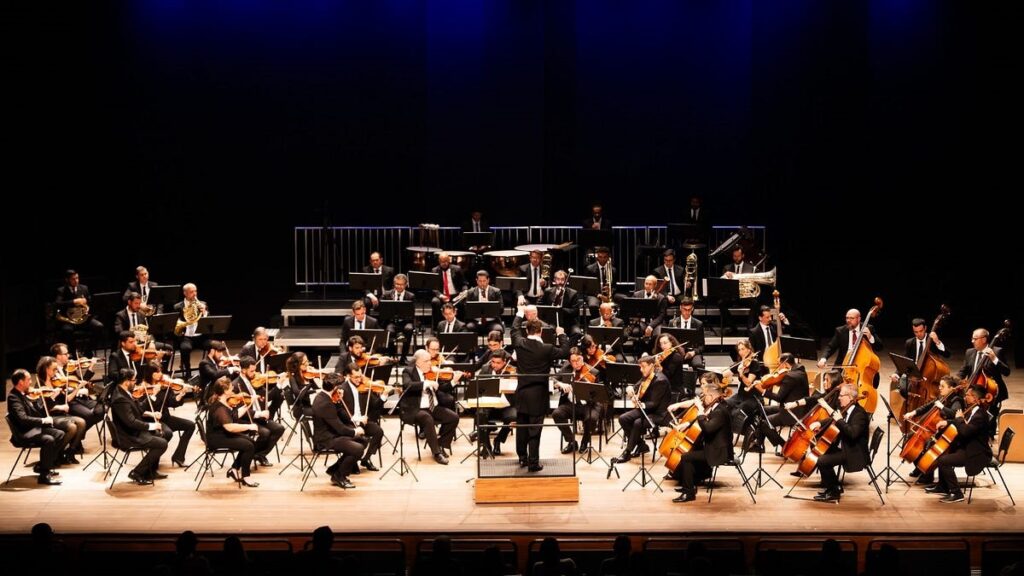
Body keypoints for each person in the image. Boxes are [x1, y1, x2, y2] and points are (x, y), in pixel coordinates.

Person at [511, 317, 569, 471]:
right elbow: (565, 351)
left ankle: (522, 458)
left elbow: (514, 330)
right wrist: (561, 334)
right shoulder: (547, 348)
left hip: (522, 392)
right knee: (534, 430)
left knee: (522, 427)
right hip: (538, 394)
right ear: (541, 332)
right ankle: (533, 462)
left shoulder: (519, 344)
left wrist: (519, 313)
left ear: (526, 330)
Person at [667, 373, 733, 503]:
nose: (704, 398)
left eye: (706, 396)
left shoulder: (721, 410)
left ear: (712, 396)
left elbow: (707, 428)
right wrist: (687, 424)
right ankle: (690, 485)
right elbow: (704, 419)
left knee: (686, 457)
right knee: (690, 452)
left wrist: (700, 409)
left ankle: (689, 492)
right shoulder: (715, 406)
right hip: (712, 446)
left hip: (719, 451)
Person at [927, 384, 993, 503]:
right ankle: (943, 486)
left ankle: (956, 493)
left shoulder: (980, 415)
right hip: (967, 446)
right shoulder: (973, 409)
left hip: (976, 452)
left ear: (975, 398)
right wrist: (947, 422)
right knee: (944, 452)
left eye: (968, 395)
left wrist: (959, 419)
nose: (965, 397)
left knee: (943, 461)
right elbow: (963, 422)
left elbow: (965, 431)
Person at [809, 383, 869, 502]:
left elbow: (853, 434)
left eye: (841, 395)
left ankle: (834, 492)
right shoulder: (847, 409)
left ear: (850, 398)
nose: (839, 398)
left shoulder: (859, 414)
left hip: (853, 451)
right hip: (845, 447)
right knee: (819, 449)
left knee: (822, 461)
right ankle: (833, 486)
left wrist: (840, 421)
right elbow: (833, 418)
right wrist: (820, 423)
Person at [108, 368, 169, 485]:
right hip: (128, 436)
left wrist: (151, 413)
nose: (135, 383)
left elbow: (138, 409)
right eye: (134, 380)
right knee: (162, 443)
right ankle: (137, 472)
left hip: (132, 431)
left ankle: (150, 470)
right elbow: (131, 422)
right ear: (126, 381)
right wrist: (151, 425)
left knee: (163, 435)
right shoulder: (120, 399)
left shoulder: (124, 392)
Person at [400, 350, 459, 464]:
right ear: (418, 362)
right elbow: (407, 385)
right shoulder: (408, 371)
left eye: (430, 361)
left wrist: (453, 381)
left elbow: (442, 388)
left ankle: (440, 444)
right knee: (427, 418)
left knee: (453, 417)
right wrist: (426, 383)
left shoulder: (431, 372)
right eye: (426, 361)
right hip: (416, 409)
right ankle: (436, 453)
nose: (429, 364)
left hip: (432, 407)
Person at [6, 368, 65, 484]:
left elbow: (36, 412)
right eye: (28, 380)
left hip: (34, 429)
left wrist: (46, 399)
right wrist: (43, 420)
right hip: (25, 432)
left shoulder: (25, 394)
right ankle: (44, 475)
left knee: (60, 434)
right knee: (49, 440)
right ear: (21, 382)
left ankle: (43, 465)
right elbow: (23, 419)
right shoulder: (13, 397)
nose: (31, 382)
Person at [902, 375, 964, 485]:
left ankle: (927, 475)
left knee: (927, 444)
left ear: (951, 388)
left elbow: (956, 415)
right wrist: (912, 413)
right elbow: (927, 406)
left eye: (942, 386)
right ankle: (920, 469)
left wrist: (942, 408)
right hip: (937, 430)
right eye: (940, 385)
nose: (939, 388)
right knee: (910, 436)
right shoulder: (942, 398)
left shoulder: (956, 400)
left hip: (948, 433)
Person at [612, 355, 670, 464]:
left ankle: (628, 452)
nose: (641, 369)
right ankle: (641, 445)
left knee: (638, 423)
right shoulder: (647, 375)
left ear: (651, 365)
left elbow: (654, 403)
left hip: (659, 413)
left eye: (643, 367)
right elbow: (636, 386)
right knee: (623, 418)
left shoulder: (660, 380)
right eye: (640, 367)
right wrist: (631, 390)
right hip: (646, 410)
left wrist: (641, 404)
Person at [312, 373, 366, 489]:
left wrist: (338, 401)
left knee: (362, 441)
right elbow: (340, 428)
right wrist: (356, 431)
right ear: (335, 388)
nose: (341, 388)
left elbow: (340, 417)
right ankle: (339, 476)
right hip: (326, 439)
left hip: (331, 434)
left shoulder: (324, 397)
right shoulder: (325, 403)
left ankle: (334, 469)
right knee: (358, 448)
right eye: (339, 386)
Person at [205, 377, 260, 487]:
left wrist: (249, 403)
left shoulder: (225, 402)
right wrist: (249, 426)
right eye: (231, 387)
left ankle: (234, 469)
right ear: (225, 391)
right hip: (217, 438)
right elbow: (230, 427)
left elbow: (235, 415)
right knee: (248, 446)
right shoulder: (219, 408)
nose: (233, 388)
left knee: (251, 442)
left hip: (223, 434)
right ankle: (246, 477)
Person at [140, 361, 195, 467]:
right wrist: (154, 396)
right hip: (153, 420)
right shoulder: (145, 388)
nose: (161, 374)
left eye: (160, 371)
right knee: (167, 433)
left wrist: (181, 394)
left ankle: (178, 457)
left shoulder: (164, 386)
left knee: (190, 425)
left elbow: (172, 402)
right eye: (158, 372)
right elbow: (141, 409)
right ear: (151, 374)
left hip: (166, 418)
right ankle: (153, 461)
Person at [958, 327, 1010, 436]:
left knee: (989, 420)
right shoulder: (969, 352)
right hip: (973, 391)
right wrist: (956, 382)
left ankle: (988, 437)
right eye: (972, 338)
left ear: (984, 339)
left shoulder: (997, 351)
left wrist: (994, 359)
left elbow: (1007, 371)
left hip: (990, 393)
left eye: (975, 339)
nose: (972, 341)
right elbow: (963, 371)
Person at [35, 356, 86, 464]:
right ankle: (56, 454)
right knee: (72, 427)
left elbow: (65, 399)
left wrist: (74, 388)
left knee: (82, 422)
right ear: (46, 369)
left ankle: (70, 453)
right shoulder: (40, 384)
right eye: (54, 369)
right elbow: (42, 407)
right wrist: (57, 404)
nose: (56, 372)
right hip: (49, 417)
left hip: (60, 415)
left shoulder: (55, 382)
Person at [338, 362, 388, 471]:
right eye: (356, 377)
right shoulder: (342, 389)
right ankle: (352, 461)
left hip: (363, 422)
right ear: (347, 376)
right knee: (359, 439)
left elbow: (375, 406)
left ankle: (366, 459)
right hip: (349, 423)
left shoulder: (364, 387)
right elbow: (340, 411)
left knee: (378, 431)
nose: (359, 380)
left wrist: (384, 396)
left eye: (360, 376)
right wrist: (355, 418)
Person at [891, 317, 951, 400]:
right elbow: (905, 361)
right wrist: (896, 373)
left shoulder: (932, 341)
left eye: (921, 331)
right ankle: (895, 412)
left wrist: (937, 341)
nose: (918, 334)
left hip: (928, 376)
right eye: (916, 332)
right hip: (914, 376)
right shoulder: (910, 343)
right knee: (899, 387)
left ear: (925, 328)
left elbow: (947, 354)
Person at [474, 349, 517, 457]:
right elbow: (479, 388)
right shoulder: (485, 369)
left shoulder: (512, 371)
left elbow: (516, 392)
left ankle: (498, 440)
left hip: (506, 405)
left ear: (504, 362)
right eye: (493, 362)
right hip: (490, 405)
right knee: (479, 414)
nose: (495, 365)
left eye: (498, 363)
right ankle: (486, 445)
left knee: (513, 417)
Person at [239, 327, 287, 419]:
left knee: (280, 395)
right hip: (254, 382)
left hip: (266, 379)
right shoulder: (247, 349)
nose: (263, 342)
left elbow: (277, 367)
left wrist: (280, 356)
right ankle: (261, 415)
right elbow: (241, 364)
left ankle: (270, 415)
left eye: (265, 339)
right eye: (260, 339)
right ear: (254, 339)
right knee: (266, 395)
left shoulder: (269, 350)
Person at [54, 270, 105, 352]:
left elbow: (89, 301)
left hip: (83, 318)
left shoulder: (84, 288)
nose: (76, 281)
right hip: (69, 320)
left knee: (99, 326)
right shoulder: (61, 290)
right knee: (67, 330)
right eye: (73, 279)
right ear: (67, 280)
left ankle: (88, 351)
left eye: (77, 278)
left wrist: (87, 305)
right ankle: (73, 353)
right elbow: (58, 304)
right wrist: (74, 301)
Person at [174, 283, 209, 380]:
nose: (194, 294)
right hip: (186, 337)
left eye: (195, 291)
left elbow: (209, 322)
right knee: (185, 348)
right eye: (191, 292)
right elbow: (174, 323)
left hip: (200, 336)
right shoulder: (178, 307)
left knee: (214, 346)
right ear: (185, 293)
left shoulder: (203, 304)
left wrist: (204, 312)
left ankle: (208, 370)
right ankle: (188, 372)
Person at [431, 252, 468, 324]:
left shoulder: (457, 269)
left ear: (449, 260)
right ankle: (438, 327)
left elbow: (464, 283)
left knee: (463, 302)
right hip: (442, 295)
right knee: (435, 302)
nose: (444, 263)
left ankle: (461, 325)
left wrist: (464, 291)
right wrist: (441, 296)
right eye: (442, 261)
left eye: (446, 261)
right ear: (439, 261)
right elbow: (433, 288)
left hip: (455, 295)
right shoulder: (434, 270)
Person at [464, 270, 504, 334]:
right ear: (476, 280)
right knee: (468, 328)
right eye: (480, 281)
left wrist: (488, 305)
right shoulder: (470, 292)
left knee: (498, 329)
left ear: (488, 280)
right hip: (475, 322)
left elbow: (501, 309)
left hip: (492, 322)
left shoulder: (496, 291)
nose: (482, 283)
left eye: (484, 281)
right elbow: (467, 309)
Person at [670, 298, 704, 369]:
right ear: (680, 308)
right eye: (685, 309)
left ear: (692, 309)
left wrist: (694, 352)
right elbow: (670, 343)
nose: (687, 312)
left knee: (698, 365)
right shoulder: (672, 323)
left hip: (692, 353)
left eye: (689, 310)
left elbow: (701, 346)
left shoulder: (698, 324)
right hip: (677, 353)